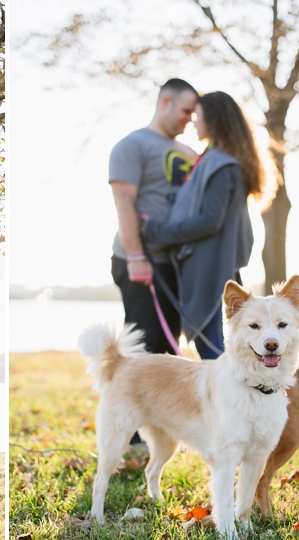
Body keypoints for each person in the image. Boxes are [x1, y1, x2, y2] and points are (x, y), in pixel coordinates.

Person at [142, 91, 266, 359]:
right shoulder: (214, 161)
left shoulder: (223, 167)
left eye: (198, 117)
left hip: (212, 272)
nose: (194, 124)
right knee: (221, 354)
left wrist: (155, 231)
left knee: (217, 355)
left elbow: (210, 221)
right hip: (213, 268)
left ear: (215, 120)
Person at [109, 78, 198, 355]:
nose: (190, 119)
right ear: (165, 102)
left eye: (194, 114)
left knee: (168, 352)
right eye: (186, 111)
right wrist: (136, 255)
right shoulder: (132, 145)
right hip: (140, 261)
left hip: (174, 265)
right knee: (144, 351)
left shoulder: (191, 153)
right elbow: (124, 202)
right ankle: (125, 399)